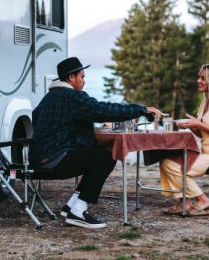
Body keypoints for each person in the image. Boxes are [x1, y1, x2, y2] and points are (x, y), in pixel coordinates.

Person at [30, 57, 162, 229]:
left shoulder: (48, 98)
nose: (84, 81)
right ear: (71, 78)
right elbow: (104, 109)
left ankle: (71, 206)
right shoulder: (73, 97)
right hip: (54, 160)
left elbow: (48, 120)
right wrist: (141, 109)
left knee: (93, 154)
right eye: (82, 77)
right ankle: (78, 211)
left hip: (38, 159)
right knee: (106, 158)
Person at [159, 64, 209, 216]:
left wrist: (198, 124)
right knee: (166, 161)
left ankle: (202, 200)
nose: (198, 81)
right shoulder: (206, 101)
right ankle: (184, 203)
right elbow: (204, 134)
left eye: (203, 78)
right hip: (206, 153)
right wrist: (192, 127)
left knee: (173, 166)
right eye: (199, 77)